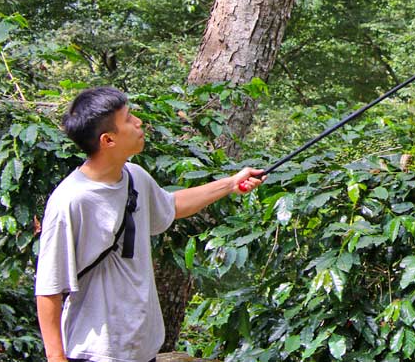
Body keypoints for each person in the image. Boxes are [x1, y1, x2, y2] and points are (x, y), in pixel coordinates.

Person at [35, 86, 265, 362]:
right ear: (108, 140)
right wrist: (56, 358)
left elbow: (172, 206)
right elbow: (49, 287)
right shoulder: (71, 201)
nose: (138, 123)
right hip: (95, 351)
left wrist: (230, 183)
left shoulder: (134, 177)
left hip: (142, 350)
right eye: (129, 119)